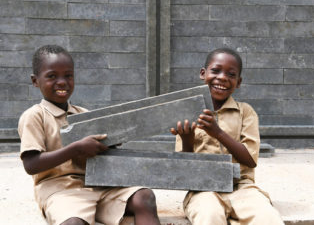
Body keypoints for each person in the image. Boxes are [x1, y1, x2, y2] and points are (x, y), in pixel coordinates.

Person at [18, 45, 161, 225]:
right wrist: (75, 149)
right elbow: (31, 164)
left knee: (144, 197)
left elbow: (102, 154)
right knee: (74, 223)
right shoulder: (34, 116)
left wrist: (110, 144)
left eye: (68, 76)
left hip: (98, 186)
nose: (62, 82)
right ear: (35, 81)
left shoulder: (83, 114)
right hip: (60, 190)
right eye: (52, 76)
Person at [170, 48, 284, 225]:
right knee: (209, 217)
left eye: (231, 74)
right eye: (215, 71)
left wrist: (218, 133)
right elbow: (184, 170)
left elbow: (250, 159)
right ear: (203, 73)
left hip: (242, 188)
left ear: (238, 82)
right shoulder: (188, 113)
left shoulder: (246, 112)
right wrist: (187, 140)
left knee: (268, 219)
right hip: (203, 189)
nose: (222, 78)